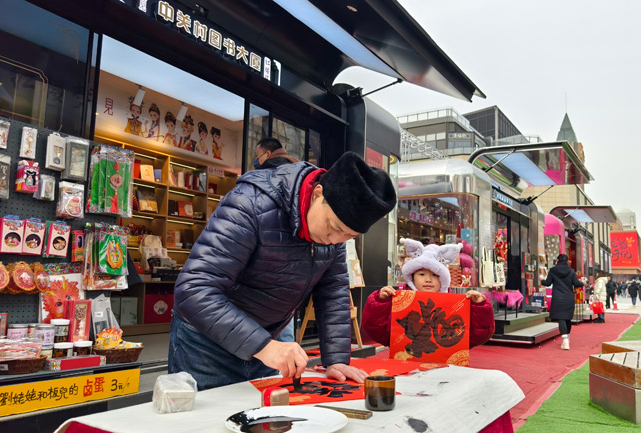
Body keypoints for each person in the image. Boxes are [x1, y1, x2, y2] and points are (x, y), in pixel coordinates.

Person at [169, 151, 397, 390]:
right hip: (206, 345)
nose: (334, 240)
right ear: (318, 193)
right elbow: (194, 288)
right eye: (332, 226)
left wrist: (337, 360)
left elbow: (333, 293)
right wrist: (264, 346)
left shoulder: (335, 238)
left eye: (348, 236)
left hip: (266, 342)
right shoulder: (250, 204)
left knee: (262, 421)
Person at [361, 238, 495, 349]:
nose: (428, 279)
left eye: (435, 274)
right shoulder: (399, 301)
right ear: (412, 276)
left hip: (446, 369)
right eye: (421, 274)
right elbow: (378, 332)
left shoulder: (455, 305)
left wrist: (479, 307)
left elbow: (476, 336)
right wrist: (380, 303)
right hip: (406, 366)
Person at [253, 137, 299, 343]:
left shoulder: (265, 175)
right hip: (294, 256)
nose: (257, 160)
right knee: (284, 311)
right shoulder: (299, 170)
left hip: (267, 253)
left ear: (268, 155)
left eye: (258, 156)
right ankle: (285, 357)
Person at [541, 254, 584, 350]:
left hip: (558, 298)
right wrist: (583, 283)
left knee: (561, 318)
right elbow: (576, 284)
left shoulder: (553, 270)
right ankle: (566, 339)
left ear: (558, 260)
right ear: (567, 261)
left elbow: (547, 283)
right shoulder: (571, 271)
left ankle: (565, 340)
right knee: (568, 318)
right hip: (569, 298)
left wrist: (541, 280)